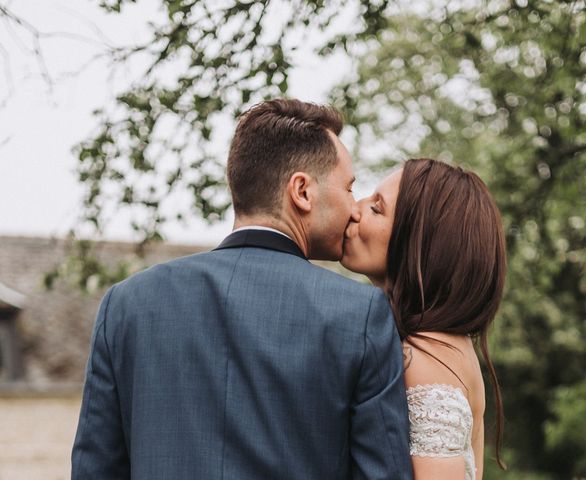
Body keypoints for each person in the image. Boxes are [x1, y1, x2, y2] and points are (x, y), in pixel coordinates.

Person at [71, 99, 413, 479]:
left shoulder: (127, 304)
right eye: (349, 188)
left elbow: (94, 470)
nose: (354, 209)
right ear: (302, 191)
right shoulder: (360, 314)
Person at [341, 158, 507, 480]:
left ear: (421, 243)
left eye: (377, 209)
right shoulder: (449, 346)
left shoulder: (425, 358)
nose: (355, 210)